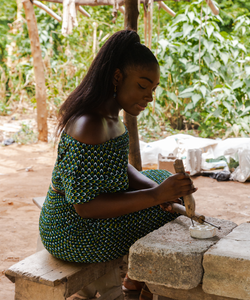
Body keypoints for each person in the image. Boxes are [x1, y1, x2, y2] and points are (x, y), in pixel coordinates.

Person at [39, 29, 197, 300]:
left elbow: (118, 165)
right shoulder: (89, 125)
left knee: (161, 178)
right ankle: (138, 280)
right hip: (72, 232)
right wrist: (157, 196)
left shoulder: (112, 118)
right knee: (165, 214)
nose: (149, 96)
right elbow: (86, 207)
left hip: (92, 218)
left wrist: (157, 189)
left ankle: (135, 280)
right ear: (117, 77)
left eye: (153, 89)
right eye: (143, 85)